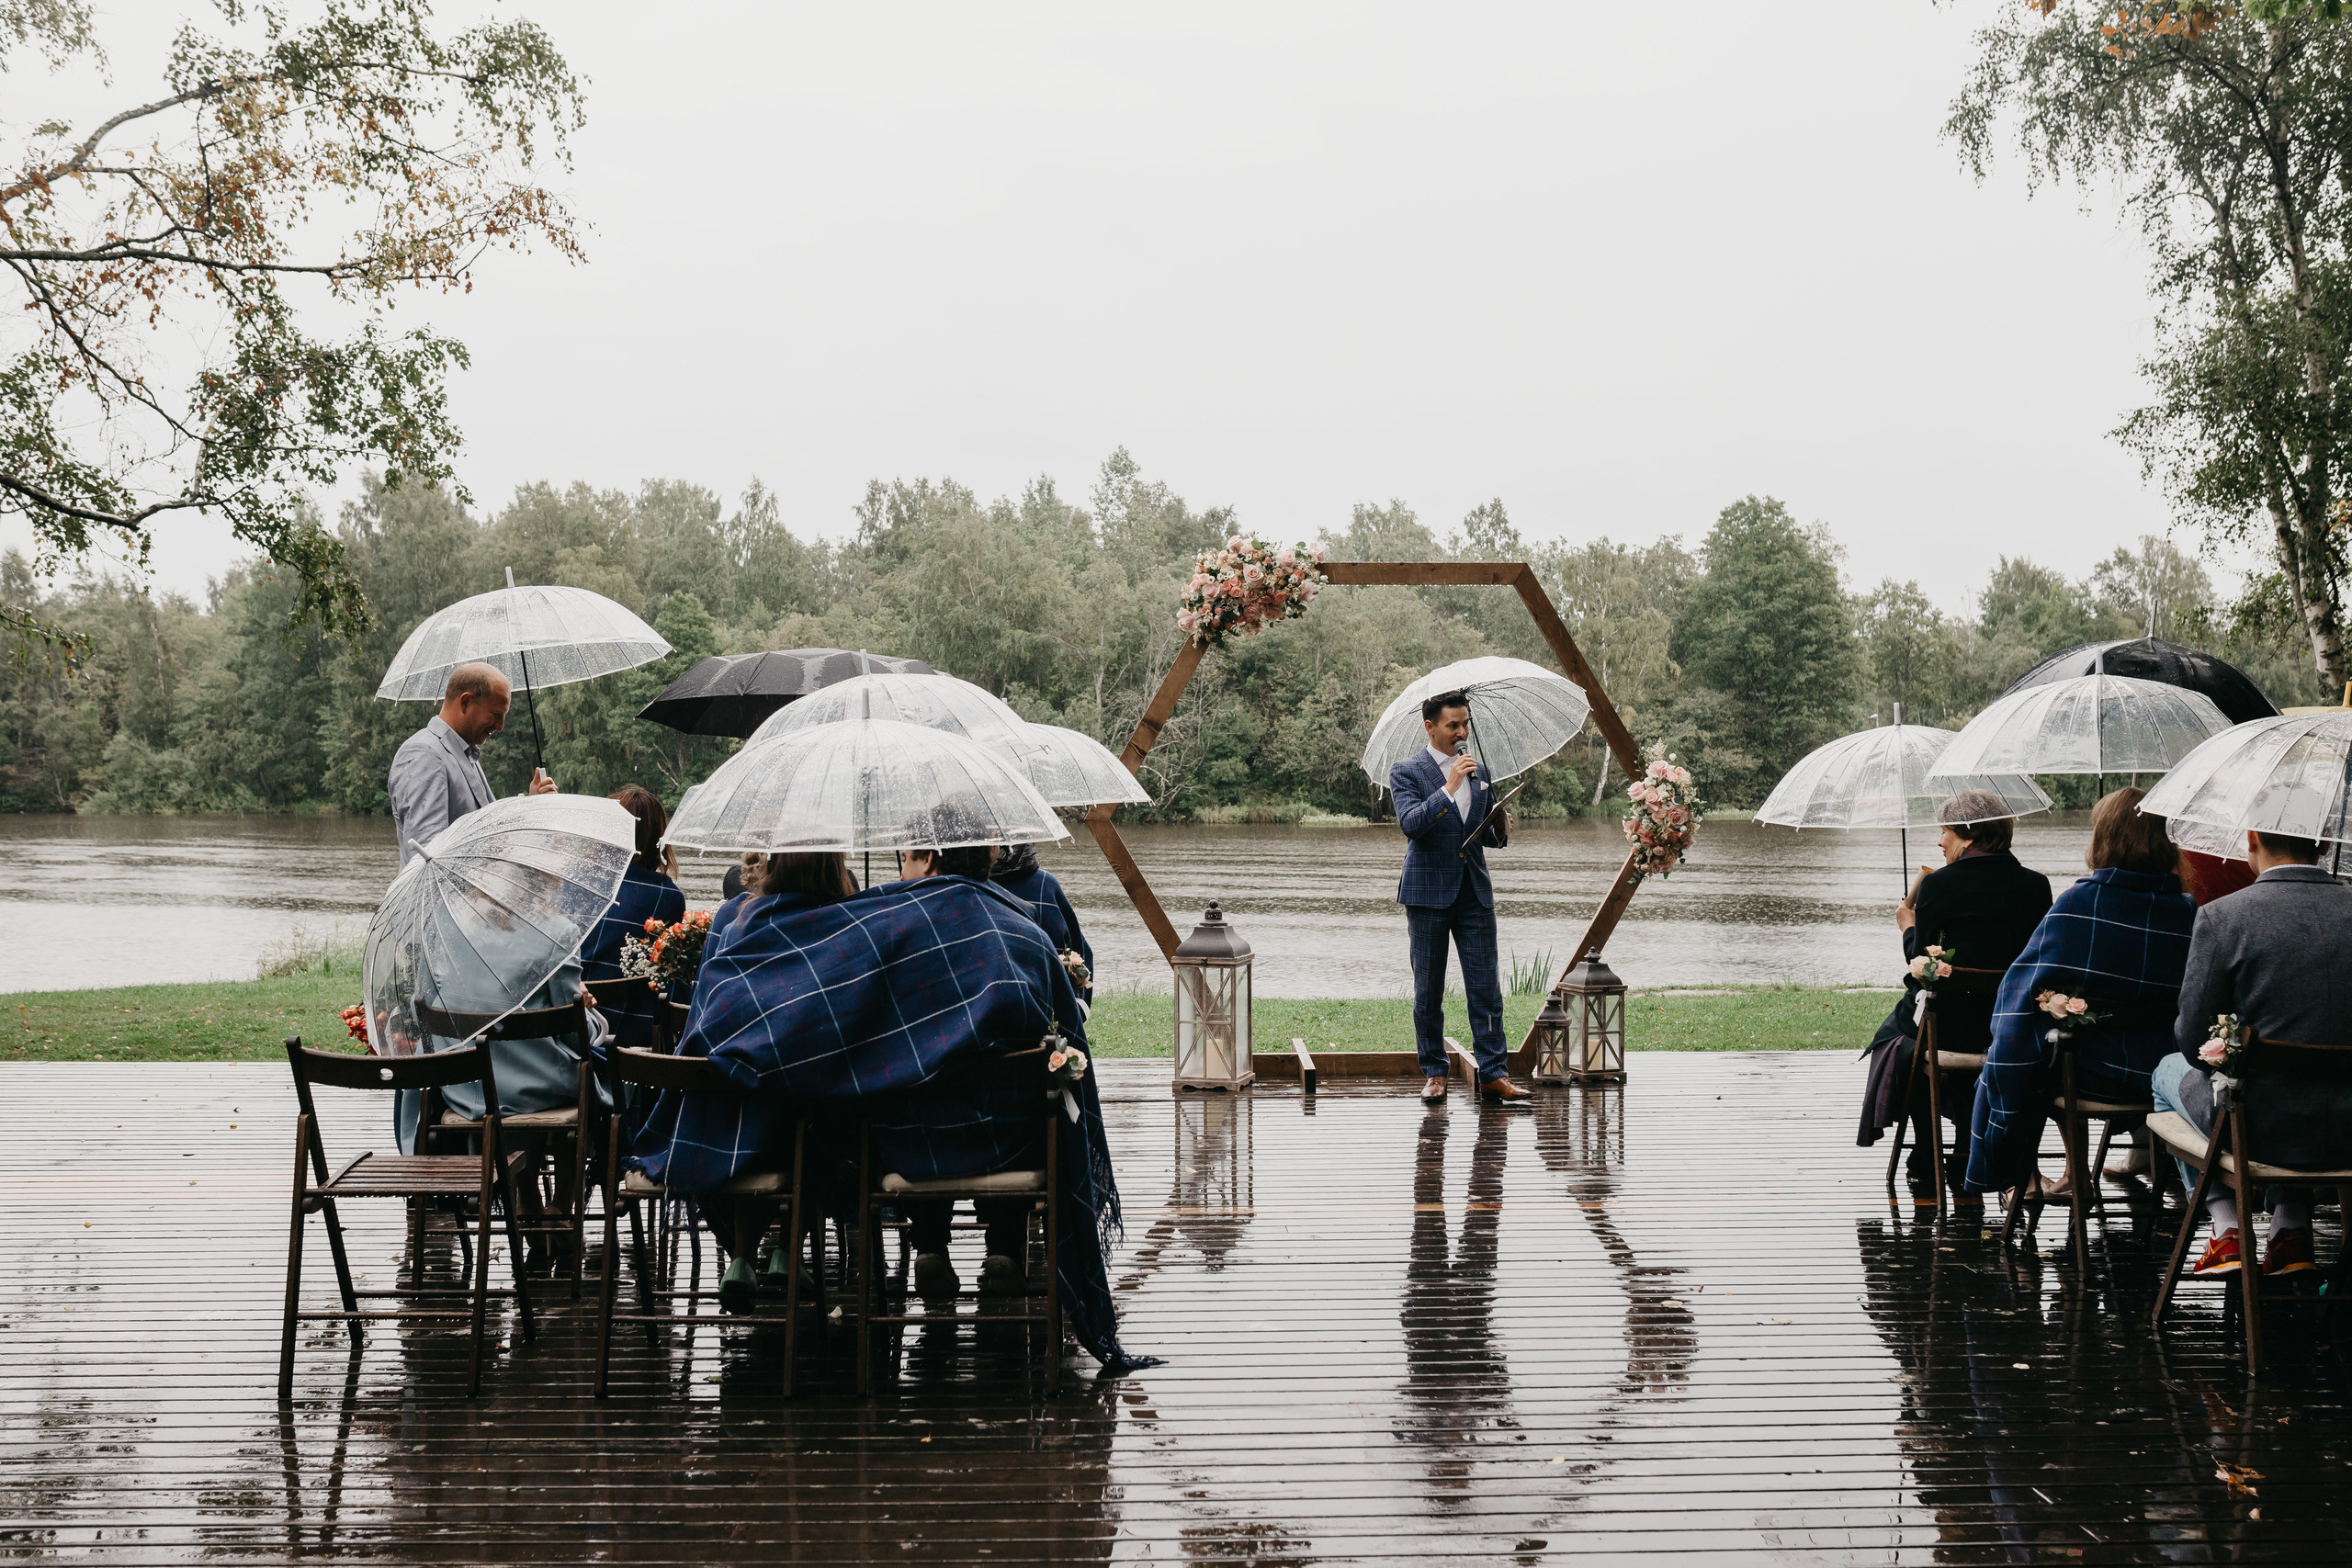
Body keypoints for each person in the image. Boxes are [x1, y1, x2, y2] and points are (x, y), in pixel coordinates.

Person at [640, 836, 1151, 1370]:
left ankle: (907, 1255)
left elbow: (864, 1037)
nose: (900, 867)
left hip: (910, 1152)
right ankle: (1001, 1249)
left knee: (854, 1115)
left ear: (929, 858)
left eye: (906, 856)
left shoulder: (888, 927)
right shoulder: (1029, 933)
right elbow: (1070, 1052)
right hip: (1020, 1151)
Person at [1963, 788, 2195, 1199]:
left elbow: (2018, 995)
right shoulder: (2188, 912)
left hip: (2091, 1076)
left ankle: (2031, 1176)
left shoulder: (2078, 906)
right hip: (2169, 1075)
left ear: (2104, 839)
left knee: (2038, 1047)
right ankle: (2086, 1172)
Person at [2148, 827, 2352, 1278]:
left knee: (2167, 1070)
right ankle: (2290, 1229)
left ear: (2252, 837)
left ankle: (2227, 1229)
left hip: (2259, 1132)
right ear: (2322, 843)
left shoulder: (2224, 917)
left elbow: (2193, 1042)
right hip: (2347, 1132)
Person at [1857, 790, 2053, 1207]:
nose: (1940, 841)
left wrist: (1908, 926)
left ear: (1967, 836)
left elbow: (1922, 965)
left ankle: (1927, 1146)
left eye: (1944, 832)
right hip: (2009, 1031)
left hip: (1950, 1030)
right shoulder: (2037, 885)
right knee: (1916, 1028)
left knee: (1893, 1040)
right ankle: (1967, 1142)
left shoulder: (1939, 885)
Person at [1390, 690, 1521, 1105]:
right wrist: (1450, 785)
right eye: (1453, 725)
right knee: (1428, 990)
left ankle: (1494, 1074)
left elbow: (1481, 837)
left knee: (1486, 988)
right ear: (1430, 726)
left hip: (1474, 893)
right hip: (1427, 894)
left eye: (1465, 723)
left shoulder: (1481, 772)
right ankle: (1434, 1073)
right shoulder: (1406, 770)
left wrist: (1500, 827)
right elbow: (1411, 825)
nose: (1462, 732)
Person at [387, 661, 555, 866]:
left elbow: (486, 830)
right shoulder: (425, 753)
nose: (500, 726)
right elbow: (427, 856)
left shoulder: (465, 754)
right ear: (466, 702)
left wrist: (531, 806)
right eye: (496, 714)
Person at [579, 785, 687, 1056]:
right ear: (658, 839)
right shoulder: (670, 898)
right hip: (634, 1040)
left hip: (576, 1033)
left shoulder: (576, 884)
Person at [991, 841, 1093, 1005]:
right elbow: (1081, 949)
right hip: (1048, 1000)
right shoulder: (1047, 884)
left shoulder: (968, 887)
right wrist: (1079, 1008)